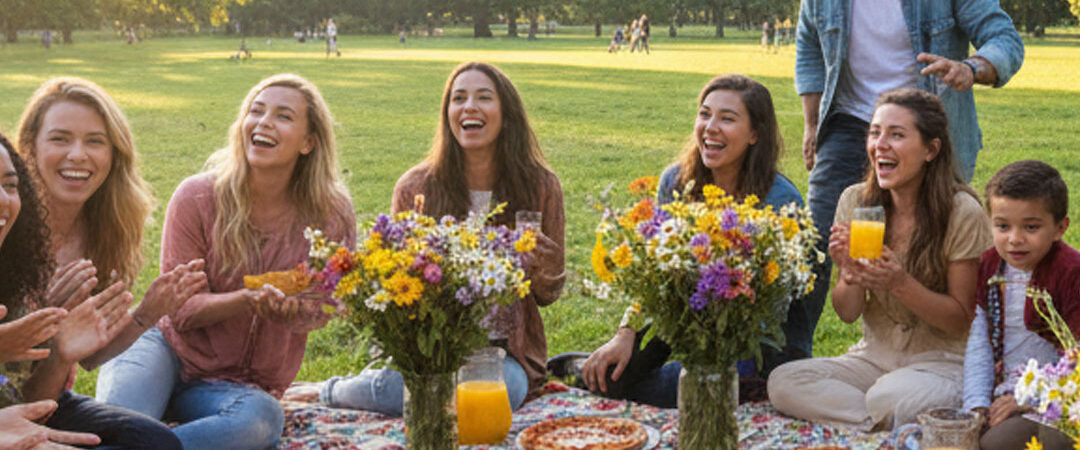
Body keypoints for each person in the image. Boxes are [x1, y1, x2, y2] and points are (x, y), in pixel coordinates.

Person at [95, 74, 356, 450]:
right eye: (256, 110)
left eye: (283, 116)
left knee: (261, 421)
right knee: (117, 421)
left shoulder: (331, 213)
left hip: (238, 389)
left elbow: (326, 305)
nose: (264, 122)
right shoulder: (197, 197)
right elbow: (180, 313)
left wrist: (290, 313)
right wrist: (246, 300)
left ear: (309, 142)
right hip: (164, 351)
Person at [300, 62, 565, 416]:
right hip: (431, 346)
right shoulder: (416, 187)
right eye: (458, 98)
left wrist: (547, 269)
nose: (468, 106)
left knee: (503, 392)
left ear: (507, 113)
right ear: (448, 113)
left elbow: (547, 296)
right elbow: (398, 285)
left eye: (483, 97)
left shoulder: (541, 186)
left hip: (499, 354)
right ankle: (337, 391)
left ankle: (367, 390)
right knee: (429, 390)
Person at [794, 0, 1024, 370]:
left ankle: (940, 366)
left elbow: (1004, 39)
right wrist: (811, 123)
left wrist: (971, 68)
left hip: (924, 126)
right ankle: (788, 356)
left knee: (936, 241)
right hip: (849, 122)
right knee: (816, 247)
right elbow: (808, 49)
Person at [570, 74, 805, 408]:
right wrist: (626, 334)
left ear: (755, 134)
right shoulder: (676, 181)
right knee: (609, 381)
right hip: (684, 325)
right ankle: (597, 366)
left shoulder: (779, 201)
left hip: (755, 343)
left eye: (727, 118)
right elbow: (659, 278)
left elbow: (775, 311)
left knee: (676, 389)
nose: (710, 127)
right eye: (705, 114)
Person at [768, 89, 992, 431]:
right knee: (783, 382)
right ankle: (883, 428)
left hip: (943, 362)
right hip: (874, 357)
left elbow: (960, 320)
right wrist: (849, 274)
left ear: (931, 149)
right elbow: (847, 313)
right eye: (875, 132)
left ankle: (880, 417)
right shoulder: (856, 202)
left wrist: (899, 283)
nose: (880, 145)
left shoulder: (962, 212)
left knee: (886, 397)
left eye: (897, 135)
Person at [15, 77, 207, 374]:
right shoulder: (8, 221)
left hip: (51, 397)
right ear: (30, 147)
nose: (78, 154)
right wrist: (43, 319)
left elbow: (89, 357)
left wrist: (147, 313)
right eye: (60, 139)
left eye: (95, 141)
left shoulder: (108, 230)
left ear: (114, 154)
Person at [0, 131, 178, 449]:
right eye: (59, 138)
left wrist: (59, 353)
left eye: (9, 185)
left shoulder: (14, 268)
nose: (3, 199)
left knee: (157, 442)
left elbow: (30, 406)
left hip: (20, 412)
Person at [963, 160, 1078, 450]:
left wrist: (1029, 399)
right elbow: (979, 346)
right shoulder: (989, 267)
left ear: (1059, 227)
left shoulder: (1070, 271)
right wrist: (976, 408)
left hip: (1061, 397)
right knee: (970, 436)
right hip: (1007, 390)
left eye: (1031, 227)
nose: (1015, 239)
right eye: (1003, 226)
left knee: (1004, 443)